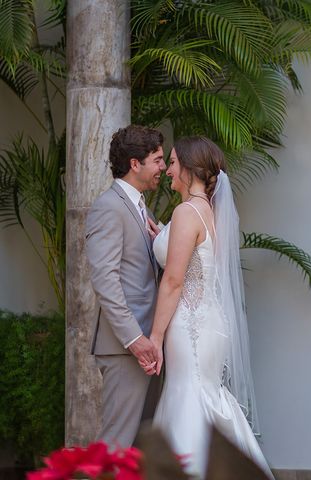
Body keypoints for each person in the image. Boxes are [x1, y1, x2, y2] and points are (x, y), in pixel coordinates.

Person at [144, 136, 273, 478]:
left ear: (188, 168)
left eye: (172, 162)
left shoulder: (187, 212)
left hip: (190, 325)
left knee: (189, 395)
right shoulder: (208, 211)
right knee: (206, 395)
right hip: (211, 322)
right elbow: (193, 261)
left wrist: (154, 337)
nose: (168, 169)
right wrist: (162, 235)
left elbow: (173, 280)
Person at [85, 125, 166, 447]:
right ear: (135, 163)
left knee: (140, 448)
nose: (162, 167)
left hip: (148, 345)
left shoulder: (140, 206)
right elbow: (105, 279)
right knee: (116, 445)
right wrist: (135, 339)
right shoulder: (108, 206)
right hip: (126, 347)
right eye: (157, 159)